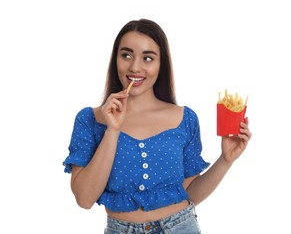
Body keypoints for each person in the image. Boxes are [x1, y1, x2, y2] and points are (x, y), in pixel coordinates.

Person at [63, 18, 252, 234]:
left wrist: (226, 160)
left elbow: (189, 194)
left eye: (148, 58)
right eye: (126, 55)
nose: (135, 67)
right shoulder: (89, 120)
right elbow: (84, 199)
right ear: (115, 59)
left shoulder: (185, 118)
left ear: (161, 64)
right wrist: (112, 130)